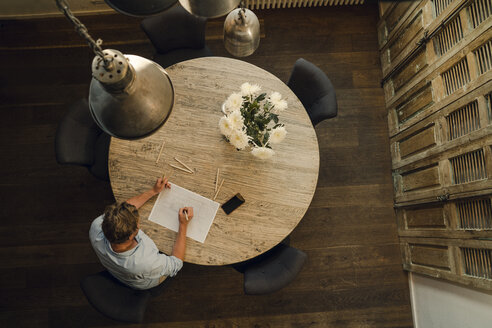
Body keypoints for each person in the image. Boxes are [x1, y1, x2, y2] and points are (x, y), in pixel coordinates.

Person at [89, 176, 193, 290]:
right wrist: (183, 225)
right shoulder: (146, 262)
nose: (139, 225)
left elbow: (123, 210)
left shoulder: (97, 226)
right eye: (137, 224)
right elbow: (176, 264)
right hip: (145, 280)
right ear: (131, 235)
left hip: (118, 270)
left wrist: (153, 191)